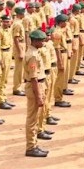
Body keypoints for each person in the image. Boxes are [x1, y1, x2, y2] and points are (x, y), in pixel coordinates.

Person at [24, 30, 49, 158]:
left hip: (38, 85)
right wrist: (39, 96)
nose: (43, 42)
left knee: (35, 117)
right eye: (41, 40)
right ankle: (30, 147)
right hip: (35, 87)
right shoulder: (32, 55)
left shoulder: (35, 52)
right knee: (32, 119)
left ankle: (34, 144)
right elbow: (33, 78)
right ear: (34, 41)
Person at [12, 6, 27, 96]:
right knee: (19, 68)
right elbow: (16, 38)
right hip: (19, 45)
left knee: (21, 68)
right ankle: (17, 88)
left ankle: (19, 86)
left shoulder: (19, 22)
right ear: (20, 14)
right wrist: (20, 51)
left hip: (22, 44)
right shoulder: (17, 24)